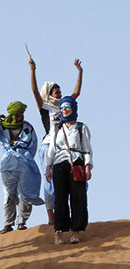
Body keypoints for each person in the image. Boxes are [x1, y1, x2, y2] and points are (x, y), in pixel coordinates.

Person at [29, 57, 83, 225]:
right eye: (56, 92)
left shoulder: (65, 106)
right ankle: (51, 217)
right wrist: (33, 70)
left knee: (72, 179)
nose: (59, 94)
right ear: (49, 95)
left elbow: (76, 93)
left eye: (60, 92)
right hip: (49, 146)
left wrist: (80, 72)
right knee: (50, 180)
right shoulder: (45, 107)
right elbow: (35, 92)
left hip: (67, 147)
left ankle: (70, 214)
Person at [0, 101, 44, 234]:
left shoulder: (28, 127)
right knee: (9, 193)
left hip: (25, 161)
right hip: (8, 162)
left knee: (26, 193)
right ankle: (8, 223)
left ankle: (22, 221)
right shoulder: (2, 127)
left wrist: (25, 157)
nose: (20, 116)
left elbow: (33, 145)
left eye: (21, 114)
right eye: (17, 114)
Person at [45, 97, 93, 245]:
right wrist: (48, 166)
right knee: (60, 197)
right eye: (62, 107)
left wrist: (88, 166)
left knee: (78, 197)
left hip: (76, 163)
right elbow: (52, 148)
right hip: (59, 163)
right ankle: (59, 231)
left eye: (67, 107)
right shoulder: (57, 128)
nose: (64, 109)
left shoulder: (81, 127)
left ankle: (76, 231)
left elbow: (87, 149)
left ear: (73, 108)